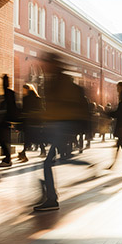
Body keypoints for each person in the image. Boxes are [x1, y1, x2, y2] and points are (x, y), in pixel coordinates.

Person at [35, 53, 90, 211]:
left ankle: (51, 198)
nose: (43, 67)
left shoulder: (62, 82)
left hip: (64, 126)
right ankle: (49, 192)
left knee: (49, 162)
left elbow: (66, 106)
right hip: (57, 125)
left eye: (45, 63)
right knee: (59, 160)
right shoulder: (52, 80)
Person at [0, 74, 17, 167]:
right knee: (1, 139)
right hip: (6, 119)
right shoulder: (11, 93)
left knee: (0, 139)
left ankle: (6, 159)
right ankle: (6, 159)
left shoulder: (1, 92)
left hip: (1, 119)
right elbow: (13, 107)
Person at [18, 84, 46, 162]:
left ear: (27, 90)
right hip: (37, 121)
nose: (23, 91)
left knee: (28, 137)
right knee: (36, 137)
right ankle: (42, 151)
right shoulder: (38, 98)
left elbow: (24, 110)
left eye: (23, 89)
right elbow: (42, 109)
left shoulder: (26, 98)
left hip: (29, 121)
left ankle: (23, 154)